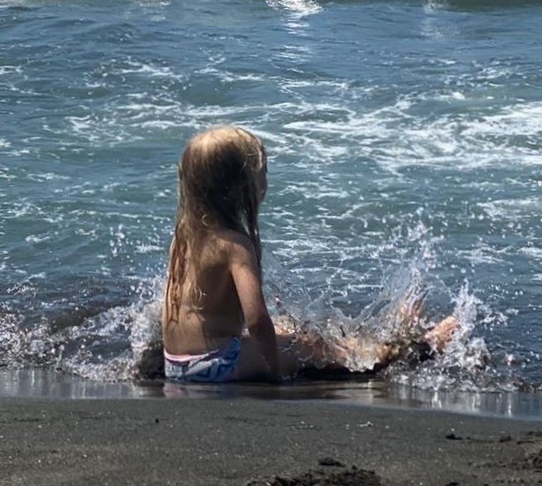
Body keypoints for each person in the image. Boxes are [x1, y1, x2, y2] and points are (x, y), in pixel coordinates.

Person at [161, 126, 455, 384]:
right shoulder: (236, 246)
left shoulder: (183, 238)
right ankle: (410, 350)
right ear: (241, 188)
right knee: (314, 345)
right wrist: (273, 369)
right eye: (262, 174)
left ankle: (382, 339)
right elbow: (257, 319)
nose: (265, 180)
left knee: (288, 328)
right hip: (216, 365)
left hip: (175, 364)